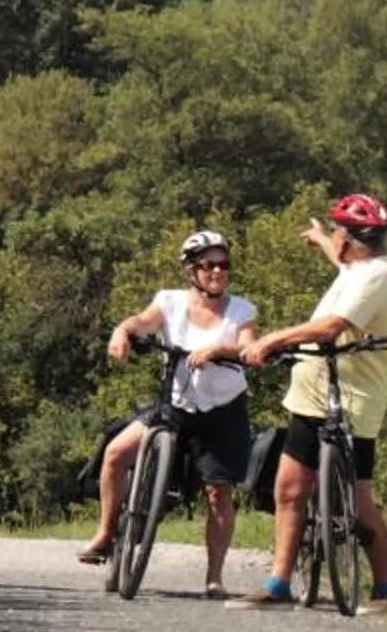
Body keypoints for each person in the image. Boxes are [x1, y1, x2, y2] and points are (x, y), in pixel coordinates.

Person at [240, 192, 387, 609]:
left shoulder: (379, 276)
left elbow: (330, 327)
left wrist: (272, 339)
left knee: (360, 499)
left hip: (354, 401)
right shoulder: (357, 267)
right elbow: (343, 264)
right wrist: (320, 239)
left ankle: (385, 587)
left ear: (350, 241)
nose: (335, 239)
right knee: (290, 489)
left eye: (336, 233)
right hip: (311, 395)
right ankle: (279, 581)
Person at [79, 228, 259, 596]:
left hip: (223, 410)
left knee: (218, 492)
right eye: (209, 265)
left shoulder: (241, 309)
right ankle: (106, 532)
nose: (218, 272)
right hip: (175, 404)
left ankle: (214, 577)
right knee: (115, 453)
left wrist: (218, 350)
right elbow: (141, 322)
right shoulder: (170, 301)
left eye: (224, 265)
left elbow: (247, 348)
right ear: (191, 270)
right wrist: (121, 333)